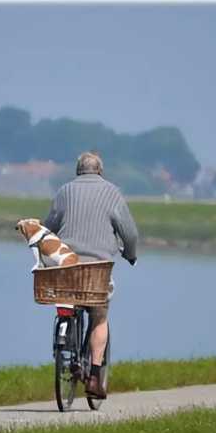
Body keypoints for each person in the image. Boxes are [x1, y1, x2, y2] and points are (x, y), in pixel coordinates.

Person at [44, 151, 138, 399]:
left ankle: (66, 348)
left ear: (78, 171)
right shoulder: (112, 192)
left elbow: (48, 228)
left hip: (67, 269)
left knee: (67, 302)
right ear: (100, 171)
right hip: (97, 272)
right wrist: (130, 253)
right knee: (99, 316)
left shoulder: (64, 191)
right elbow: (129, 233)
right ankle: (95, 376)